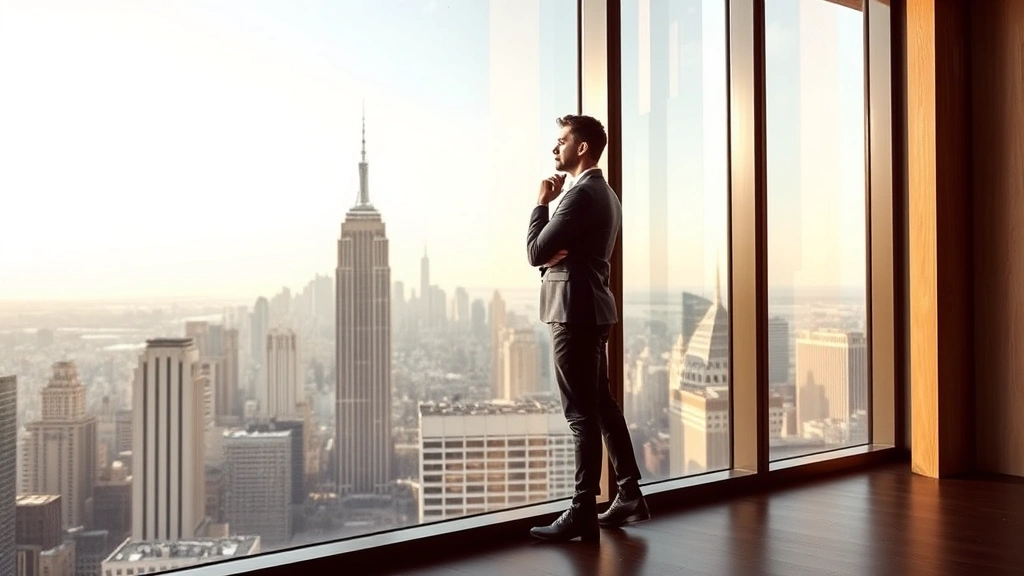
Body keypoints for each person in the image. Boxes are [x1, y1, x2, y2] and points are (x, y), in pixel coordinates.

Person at [526, 114, 649, 543]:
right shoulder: (607, 194)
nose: (554, 149)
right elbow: (551, 253)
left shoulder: (579, 197)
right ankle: (629, 492)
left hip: (573, 312)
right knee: (602, 405)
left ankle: (582, 508)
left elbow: (536, 251)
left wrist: (541, 202)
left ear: (581, 148)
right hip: (594, 310)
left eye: (560, 141)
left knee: (581, 415)